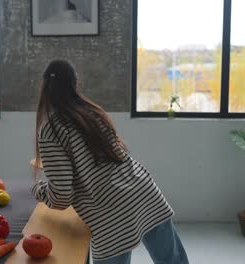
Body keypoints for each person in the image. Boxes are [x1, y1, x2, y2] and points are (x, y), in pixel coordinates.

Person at [30, 60, 189, 264]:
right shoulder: (93, 112)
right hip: (145, 193)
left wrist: (39, 190)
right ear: (75, 83)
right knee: (173, 261)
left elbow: (61, 195)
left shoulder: (51, 129)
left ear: (44, 87)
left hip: (111, 214)